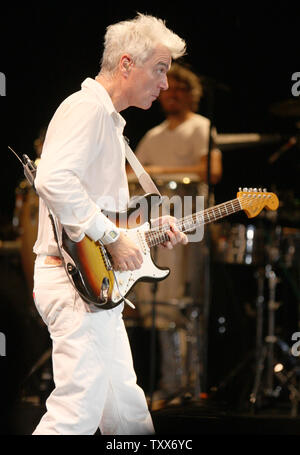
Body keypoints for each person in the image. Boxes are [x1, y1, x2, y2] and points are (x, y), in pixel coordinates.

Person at [31, 14, 187, 435]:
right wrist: (114, 238)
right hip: (74, 284)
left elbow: (100, 208)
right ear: (125, 64)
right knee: (75, 413)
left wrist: (145, 229)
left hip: (93, 286)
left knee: (128, 416)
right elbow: (52, 180)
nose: (166, 84)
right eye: (160, 69)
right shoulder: (87, 109)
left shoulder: (107, 118)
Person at [132, 63, 222, 403]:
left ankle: (192, 385)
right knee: (161, 308)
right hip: (157, 228)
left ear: (192, 94)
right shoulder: (154, 136)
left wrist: (159, 171)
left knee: (189, 303)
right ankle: (172, 383)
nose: (172, 96)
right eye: (168, 89)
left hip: (191, 225)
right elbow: (131, 171)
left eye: (180, 90)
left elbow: (212, 170)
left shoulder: (201, 127)